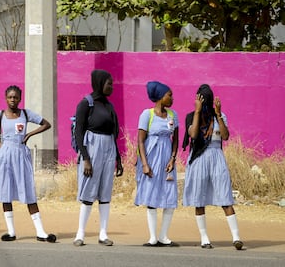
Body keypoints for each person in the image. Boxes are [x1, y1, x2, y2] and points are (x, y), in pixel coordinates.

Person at [0, 85, 56, 243]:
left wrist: (29, 134)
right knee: (6, 192)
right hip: (4, 155)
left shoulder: (26, 114)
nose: (13, 100)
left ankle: (41, 232)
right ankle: (11, 231)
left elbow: (47, 124)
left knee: (28, 192)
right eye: (10, 97)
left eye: (16, 97)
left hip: (21, 155)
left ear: (20, 98)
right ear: (6, 98)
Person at [182, 84, 244, 250]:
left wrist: (218, 115)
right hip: (198, 160)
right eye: (201, 98)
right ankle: (204, 238)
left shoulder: (220, 116)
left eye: (206, 98)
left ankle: (236, 237)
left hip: (217, 157)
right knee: (199, 199)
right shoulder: (191, 116)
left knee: (225, 197)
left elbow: (225, 136)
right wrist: (197, 111)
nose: (204, 101)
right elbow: (194, 135)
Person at [73, 69, 123, 247]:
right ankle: (80, 234)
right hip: (92, 149)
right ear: (100, 83)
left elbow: (113, 134)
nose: (112, 87)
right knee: (88, 192)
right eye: (109, 83)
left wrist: (118, 158)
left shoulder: (109, 106)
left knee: (105, 194)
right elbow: (78, 133)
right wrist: (86, 158)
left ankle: (103, 234)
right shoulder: (86, 104)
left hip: (109, 149)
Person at [134, 81, 179, 247]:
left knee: (169, 194)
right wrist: (145, 164)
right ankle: (153, 237)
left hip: (167, 160)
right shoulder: (147, 114)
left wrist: (173, 158)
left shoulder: (173, 115)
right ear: (160, 97)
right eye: (169, 95)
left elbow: (176, 140)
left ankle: (163, 236)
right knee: (152, 195)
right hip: (151, 158)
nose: (172, 98)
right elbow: (140, 140)